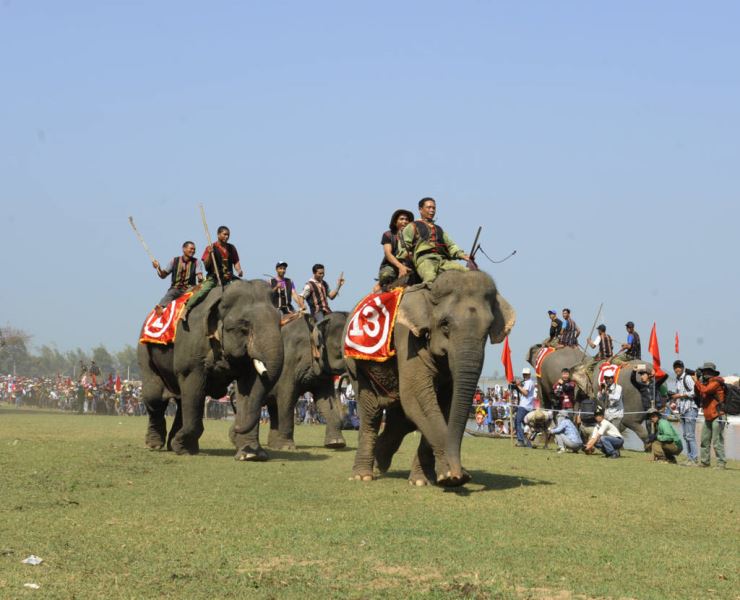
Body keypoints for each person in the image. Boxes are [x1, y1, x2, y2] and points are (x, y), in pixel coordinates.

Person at [397, 197, 470, 283]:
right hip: (425, 260)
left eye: (434, 208)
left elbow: (451, 246)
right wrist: (403, 263)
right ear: (420, 209)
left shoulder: (439, 229)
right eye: (429, 207)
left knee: (468, 273)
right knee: (430, 278)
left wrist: (462, 255)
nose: (432, 210)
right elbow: (404, 246)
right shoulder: (412, 226)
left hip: (443, 261)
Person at [185, 226, 243, 316]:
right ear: (218, 235)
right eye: (224, 234)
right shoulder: (211, 247)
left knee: (243, 287)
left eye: (228, 235)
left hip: (228, 277)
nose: (227, 237)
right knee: (202, 292)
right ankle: (186, 309)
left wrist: (239, 270)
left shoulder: (231, 248)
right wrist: (209, 254)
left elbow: (236, 262)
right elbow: (206, 264)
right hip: (214, 277)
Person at [152, 241, 203, 314]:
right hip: (176, 289)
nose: (193, 251)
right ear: (184, 249)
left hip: (189, 289)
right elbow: (163, 276)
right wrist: (158, 268)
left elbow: (199, 274)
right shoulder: (174, 261)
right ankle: (161, 308)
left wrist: (200, 278)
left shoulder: (197, 262)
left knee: (197, 292)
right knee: (170, 294)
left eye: (194, 249)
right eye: (191, 249)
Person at [693, 361, 727, 469]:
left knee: (717, 441)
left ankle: (721, 463)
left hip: (718, 415)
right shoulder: (704, 382)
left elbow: (706, 390)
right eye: (704, 371)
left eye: (709, 371)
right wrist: (697, 381)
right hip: (708, 415)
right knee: (704, 440)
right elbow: (698, 393)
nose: (706, 373)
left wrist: (696, 381)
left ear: (713, 373)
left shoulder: (717, 382)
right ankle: (705, 462)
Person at [377, 209, 414, 290]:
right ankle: (381, 287)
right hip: (392, 266)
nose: (404, 221)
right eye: (401, 219)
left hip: (409, 266)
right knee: (386, 275)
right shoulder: (388, 235)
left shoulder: (414, 236)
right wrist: (400, 267)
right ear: (395, 222)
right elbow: (388, 253)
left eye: (407, 219)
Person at [670, 360, 698, 466]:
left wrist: (679, 396)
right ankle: (689, 458)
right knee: (686, 435)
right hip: (682, 410)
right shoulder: (677, 380)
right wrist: (674, 402)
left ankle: (694, 459)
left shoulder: (687, 378)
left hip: (691, 409)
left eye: (679, 367)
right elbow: (678, 394)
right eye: (675, 367)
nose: (677, 369)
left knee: (690, 435)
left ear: (682, 368)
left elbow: (694, 392)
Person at [630, 365, 669, 442]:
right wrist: (634, 371)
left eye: (643, 374)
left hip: (657, 411)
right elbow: (632, 380)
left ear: (649, 375)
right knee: (650, 431)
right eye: (641, 375)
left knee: (660, 430)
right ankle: (652, 448)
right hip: (648, 412)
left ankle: (661, 448)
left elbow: (665, 376)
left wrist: (656, 372)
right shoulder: (640, 386)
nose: (641, 376)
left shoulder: (655, 384)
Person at [513, 367, 536, 447]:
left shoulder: (529, 382)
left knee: (517, 422)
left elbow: (525, 393)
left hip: (524, 406)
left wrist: (518, 386)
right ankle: (528, 441)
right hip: (527, 406)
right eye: (524, 374)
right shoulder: (527, 382)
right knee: (525, 424)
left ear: (529, 374)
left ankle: (521, 440)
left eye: (526, 374)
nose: (525, 375)